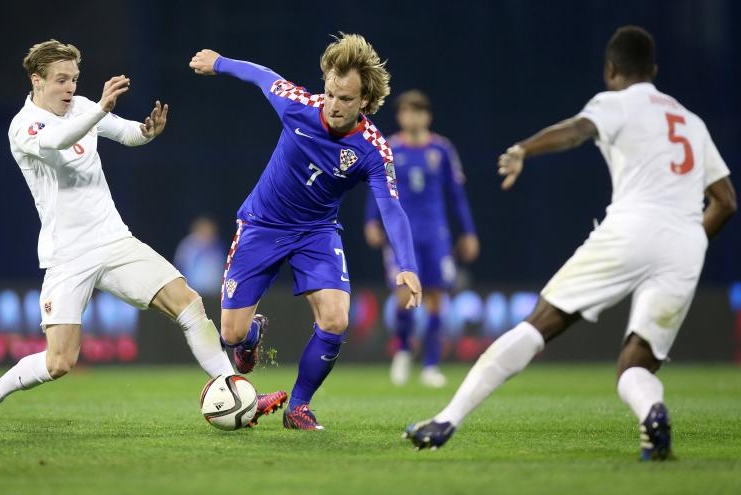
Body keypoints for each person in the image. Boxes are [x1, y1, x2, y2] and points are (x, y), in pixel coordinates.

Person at [404, 26, 736, 460]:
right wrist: (687, 243)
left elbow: (578, 130)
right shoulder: (692, 122)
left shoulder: (617, 102)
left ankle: (446, 419)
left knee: (539, 324)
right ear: (653, 71)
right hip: (686, 243)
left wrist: (525, 149)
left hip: (632, 227)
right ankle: (652, 413)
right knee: (636, 363)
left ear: (611, 70)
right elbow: (726, 201)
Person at [0, 40, 286, 429]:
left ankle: (237, 390)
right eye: (61, 80)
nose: (70, 88)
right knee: (60, 362)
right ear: (36, 80)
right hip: (68, 254)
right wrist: (99, 109)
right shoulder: (24, 126)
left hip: (113, 239)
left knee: (188, 303)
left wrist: (148, 131)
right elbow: (58, 140)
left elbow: (129, 134)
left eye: (74, 79)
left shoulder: (82, 107)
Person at [189, 33, 422, 430]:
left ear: (365, 100)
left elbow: (392, 209)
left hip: (316, 231)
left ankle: (298, 407)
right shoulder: (300, 106)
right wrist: (220, 62)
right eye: (330, 93)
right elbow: (264, 76)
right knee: (230, 334)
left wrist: (407, 265)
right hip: (261, 225)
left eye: (345, 98)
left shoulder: (373, 149)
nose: (333, 104)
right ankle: (250, 337)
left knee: (336, 319)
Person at [364, 90, 479, 388]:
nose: (412, 117)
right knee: (404, 296)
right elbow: (378, 187)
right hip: (402, 236)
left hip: (436, 235)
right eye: (407, 112)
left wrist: (468, 232)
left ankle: (431, 365)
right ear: (400, 116)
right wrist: (371, 221)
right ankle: (403, 351)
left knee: (436, 299)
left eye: (418, 111)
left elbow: (456, 195)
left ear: (427, 116)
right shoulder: (390, 148)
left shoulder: (442, 150)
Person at [174, 215, 225, 297]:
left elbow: (222, 269)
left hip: (214, 294)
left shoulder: (217, 246)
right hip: (193, 293)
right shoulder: (187, 246)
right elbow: (179, 267)